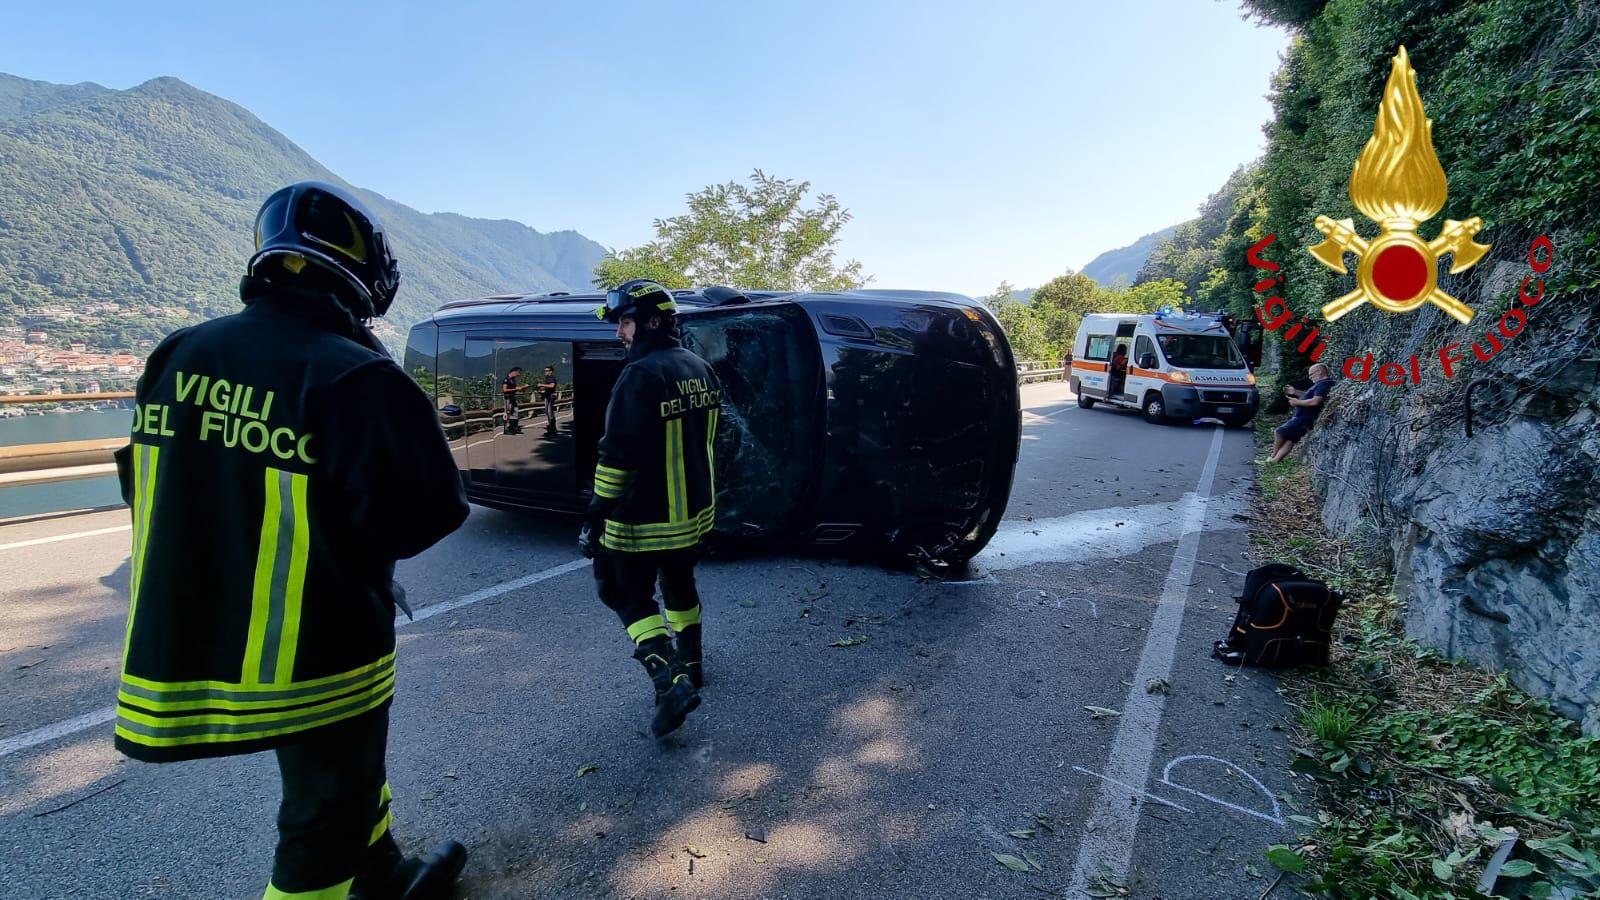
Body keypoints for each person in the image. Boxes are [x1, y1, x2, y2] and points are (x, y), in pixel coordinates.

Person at [112, 181, 470, 900]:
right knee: (319, 823)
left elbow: (147, 483)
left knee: (340, 784)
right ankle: (349, 876)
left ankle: (384, 872)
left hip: (195, 633)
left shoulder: (179, 352)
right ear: (366, 277)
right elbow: (428, 511)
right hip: (317, 646)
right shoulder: (354, 374)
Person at [578, 279, 722, 737]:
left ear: (652, 322)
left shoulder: (640, 375)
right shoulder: (700, 366)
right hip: (693, 512)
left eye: (625, 321)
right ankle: (693, 662)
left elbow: (617, 455)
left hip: (642, 517)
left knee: (620, 592)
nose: (620, 332)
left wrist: (596, 515)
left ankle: (672, 680)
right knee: (680, 582)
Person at [1270, 362, 1336, 462]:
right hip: (1305, 418)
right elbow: (1308, 396)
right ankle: (1276, 461)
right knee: (1290, 439)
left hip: (1305, 417)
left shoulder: (1324, 384)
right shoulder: (1320, 385)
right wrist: (1295, 392)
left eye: (1311, 374)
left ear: (1319, 372)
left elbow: (1315, 401)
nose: (1310, 377)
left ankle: (1273, 456)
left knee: (1279, 432)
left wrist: (1297, 402)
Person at [501, 366, 526, 434]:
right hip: (507, 398)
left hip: (513, 398)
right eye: (519, 373)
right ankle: (505, 429)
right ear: (514, 372)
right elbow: (504, 390)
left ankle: (513, 427)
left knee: (515, 413)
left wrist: (521, 388)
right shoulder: (506, 379)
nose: (519, 374)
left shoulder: (513, 379)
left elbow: (514, 388)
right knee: (507, 413)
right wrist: (516, 389)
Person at [539, 365, 559, 430]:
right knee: (548, 412)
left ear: (551, 371)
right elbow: (548, 386)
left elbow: (552, 385)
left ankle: (553, 429)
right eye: (544, 371)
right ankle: (551, 427)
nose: (545, 372)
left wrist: (542, 384)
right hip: (547, 395)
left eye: (547, 371)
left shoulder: (552, 377)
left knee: (550, 412)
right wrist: (542, 390)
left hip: (550, 396)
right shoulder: (547, 378)